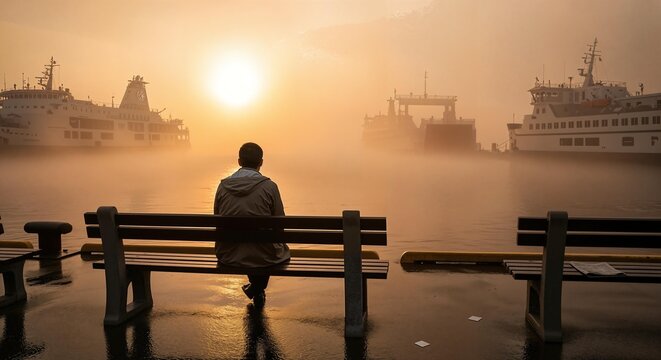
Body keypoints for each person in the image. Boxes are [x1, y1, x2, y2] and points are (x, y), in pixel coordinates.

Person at [213, 142, 290, 307]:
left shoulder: (222, 186)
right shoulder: (270, 186)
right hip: (265, 255)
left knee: (249, 242)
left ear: (239, 161)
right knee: (263, 244)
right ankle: (257, 287)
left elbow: (217, 222)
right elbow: (280, 225)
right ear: (261, 162)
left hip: (229, 254)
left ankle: (256, 288)